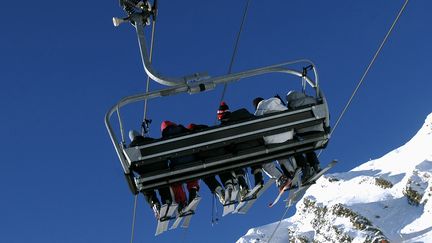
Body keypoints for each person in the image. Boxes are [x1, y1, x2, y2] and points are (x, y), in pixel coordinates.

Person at [217, 102, 264, 199]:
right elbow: (258, 124)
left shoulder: (224, 126)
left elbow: (225, 145)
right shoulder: (244, 113)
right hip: (256, 146)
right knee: (254, 155)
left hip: (240, 152)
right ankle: (258, 179)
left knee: (234, 162)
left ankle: (244, 186)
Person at [252, 96, 297, 191]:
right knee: (282, 155)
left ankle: (281, 177)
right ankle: (291, 171)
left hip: (272, 141)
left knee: (265, 162)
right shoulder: (279, 105)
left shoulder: (259, 110)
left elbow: (255, 128)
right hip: (288, 137)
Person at [186, 123, 233, 205]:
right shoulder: (207, 128)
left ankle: (218, 190)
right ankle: (228, 185)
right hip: (219, 155)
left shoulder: (191, 136)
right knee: (222, 168)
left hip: (206, 161)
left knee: (206, 175)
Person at [160, 121, 201, 211]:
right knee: (193, 172)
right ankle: (193, 191)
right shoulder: (184, 130)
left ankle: (182, 202)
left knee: (175, 181)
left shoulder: (163, 140)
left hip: (178, 168)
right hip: (192, 163)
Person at [128, 130, 169, 218]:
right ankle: (167, 200)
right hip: (160, 171)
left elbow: (130, 167)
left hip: (146, 176)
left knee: (146, 189)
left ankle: (154, 203)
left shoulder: (130, 148)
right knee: (163, 182)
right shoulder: (151, 140)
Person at [286, 90, 323, 181]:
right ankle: (315, 165)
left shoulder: (290, 107)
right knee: (307, 144)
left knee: (295, 145)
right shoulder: (313, 100)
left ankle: (305, 167)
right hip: (319, 131)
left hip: (303, 134)